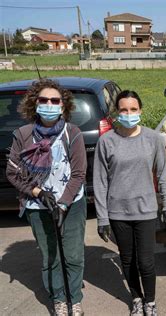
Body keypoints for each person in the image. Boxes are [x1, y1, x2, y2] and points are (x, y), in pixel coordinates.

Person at [6, 79, 87, 316]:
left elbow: (79, 173)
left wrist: (62, 203)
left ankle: (75, 298)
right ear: (35, 103)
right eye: (44, 100)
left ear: (63, 105)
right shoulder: (23, 135)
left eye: (55, 100)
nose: (49, 104)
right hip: (37, 206)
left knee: (72, 254)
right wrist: (39, 193)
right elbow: (12, 172)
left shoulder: (72, 133)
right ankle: (59, 298)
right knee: (50, 255)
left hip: (71, 203)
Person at [93, 90, 166, 316]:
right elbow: (99, 182)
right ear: (117, 113)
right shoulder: (106, 141)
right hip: (118, 212)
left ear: (140, 110)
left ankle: (150, 301)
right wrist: (102, 218)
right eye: (123, 110)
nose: (128, 113)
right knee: (128, 261)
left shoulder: (153, 139)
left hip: (146, 210)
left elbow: (163, 173)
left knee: (146, 262)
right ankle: (137, 298)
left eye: (133, 109)